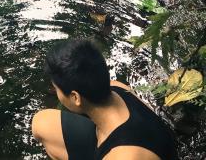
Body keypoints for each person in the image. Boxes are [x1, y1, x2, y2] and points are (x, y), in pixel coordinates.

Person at [31, 39, 178, 160]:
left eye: (56, 89)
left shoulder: (125, 156)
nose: (56, 93)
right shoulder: (117, 87)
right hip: (108, 138)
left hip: (127, 150)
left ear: (75, 97)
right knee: (41, 122)